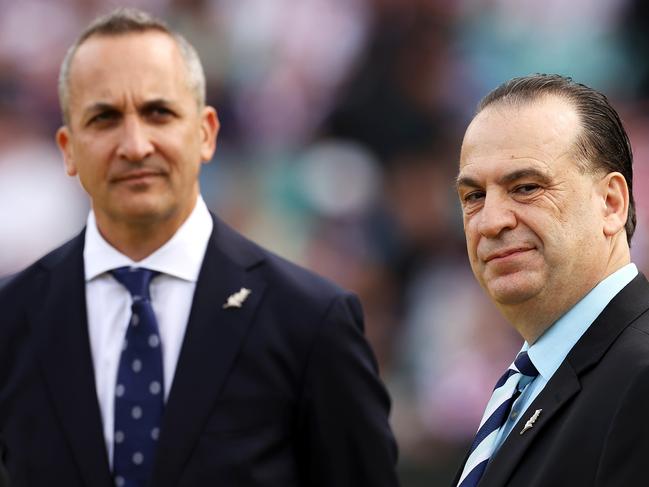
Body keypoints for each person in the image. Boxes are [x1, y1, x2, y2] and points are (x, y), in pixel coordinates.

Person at [0, 8, 399, 487]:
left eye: (158, 113)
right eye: (104, 118)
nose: (135, 144)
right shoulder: (12, 318)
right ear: (67, 147)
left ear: (206, 133)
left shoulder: (309, 321)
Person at [452, 73, 649, 487]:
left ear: (611, 204)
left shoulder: (640, 378)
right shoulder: (525, 388)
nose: (491, 222)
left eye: (525, 187)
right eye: (474, 196)